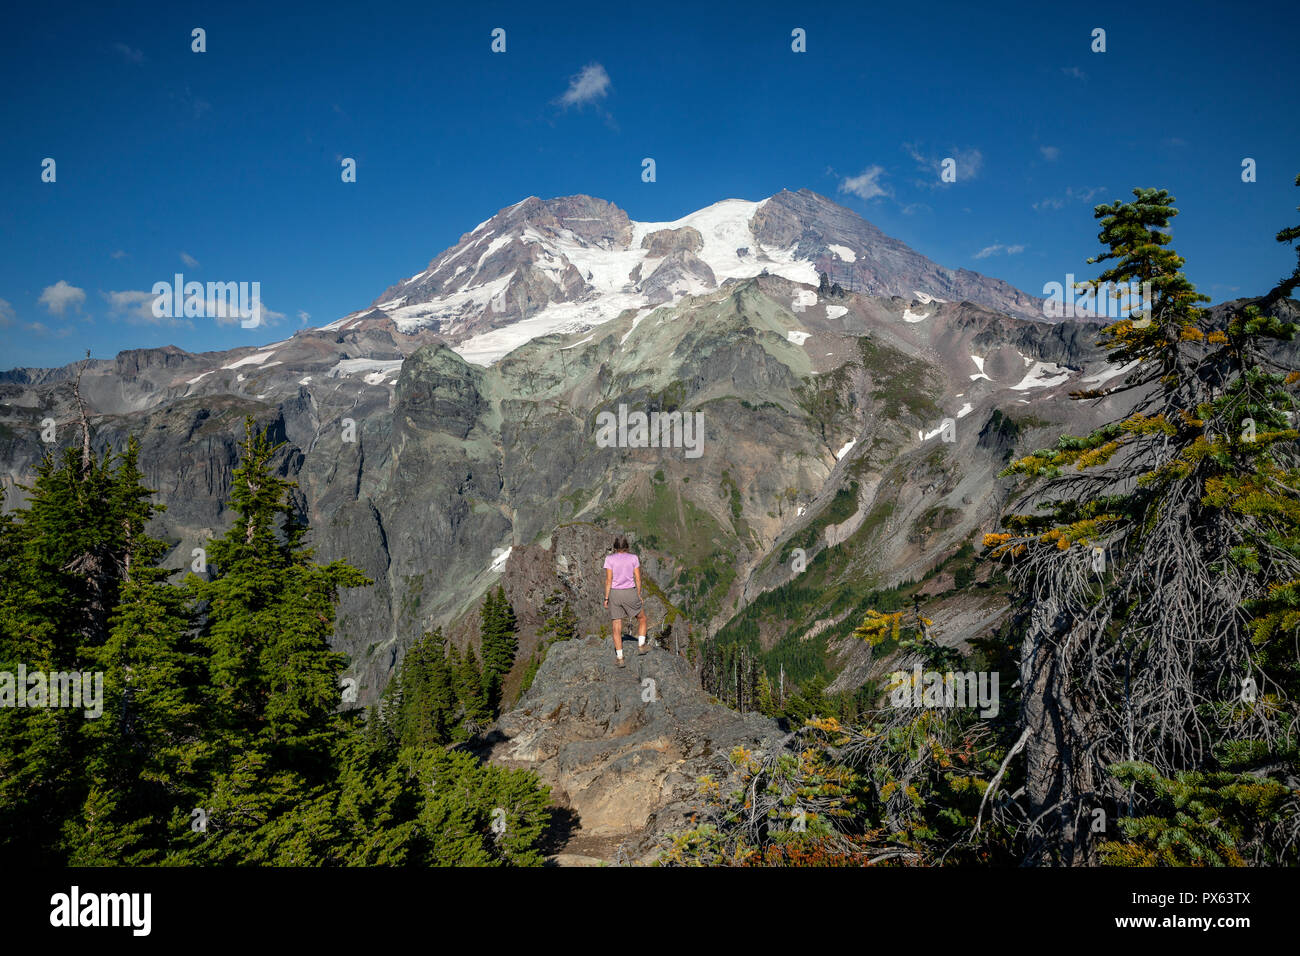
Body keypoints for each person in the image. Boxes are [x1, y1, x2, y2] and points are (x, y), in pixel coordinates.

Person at [602, 535, 648, 667]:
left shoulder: (609, 559)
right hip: (630, 592)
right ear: (627, 546)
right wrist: (638, 594)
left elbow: (608, 580)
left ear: (615, 547)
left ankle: (620, 658)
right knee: (642, 618)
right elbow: (638, 578)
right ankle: (641, 645)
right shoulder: (633, 558)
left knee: (616, 626)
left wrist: (606, 598)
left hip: (615, 594)